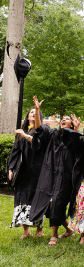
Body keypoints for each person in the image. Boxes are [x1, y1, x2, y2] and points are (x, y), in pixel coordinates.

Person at [29, 114, 80, 246]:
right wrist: (37, 109)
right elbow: (39, 128)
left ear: (72, 124)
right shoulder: (53, 135)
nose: (63, 120)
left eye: (67, 119)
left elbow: (78, 150)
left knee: (57, 202)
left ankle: (54, 235)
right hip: (50, 174)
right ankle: (68, 230)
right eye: (62, 118)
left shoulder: (75, 137)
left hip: (66, 177)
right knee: (51, 204)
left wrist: (76, 130)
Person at [7, 96, 44, 239]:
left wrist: (25, 135)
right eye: (31, 113)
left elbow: (38, 145)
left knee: (36, 198)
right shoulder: (20, 134)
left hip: (37, 171)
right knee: (22, 198)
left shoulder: (41, 132)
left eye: (35, 114)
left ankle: (39, 229)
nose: (32, 115)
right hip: (23, 171)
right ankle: (26, 229)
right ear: (27, 116)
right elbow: (14, 152)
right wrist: (10, 169)